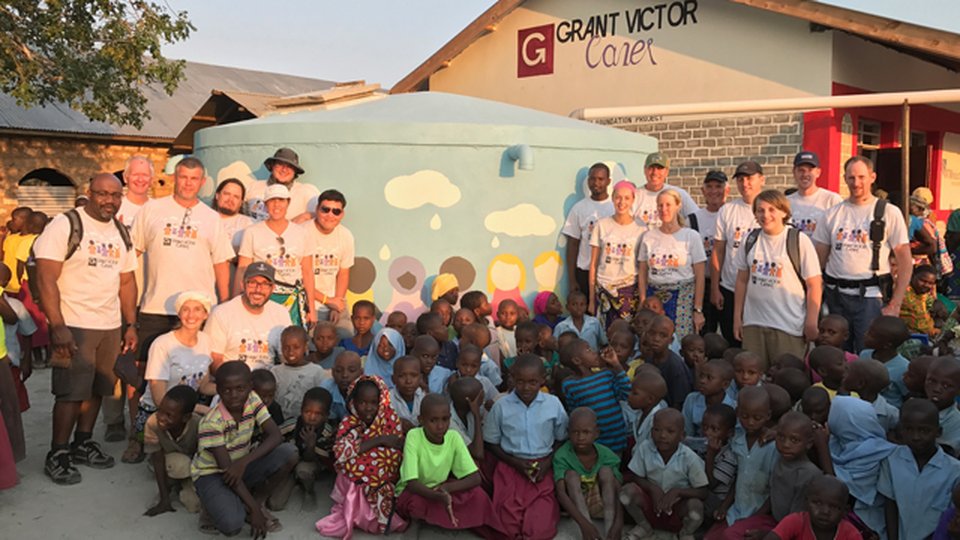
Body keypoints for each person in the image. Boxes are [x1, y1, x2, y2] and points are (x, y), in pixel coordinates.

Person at [35, 173, 139, 485]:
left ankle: (83, 442)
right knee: (70, 392)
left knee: (98, 387)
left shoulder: (121, 231)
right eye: (102, 194)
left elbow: (127, 281)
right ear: (89, 193)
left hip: (109, 325)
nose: (109, 200)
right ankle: (58, 452)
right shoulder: (66, 224)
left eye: (115, 195)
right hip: (74, 324)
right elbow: (45, 277)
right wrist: (58, 325)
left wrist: (130, 324)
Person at [813, 156, 913, 352]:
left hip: (870, 298)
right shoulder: (832, 214)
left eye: (861, 177)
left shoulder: (889, 212)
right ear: (845, 178)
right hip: (835, 296)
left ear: (872, 177)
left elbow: (905, 260)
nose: (856, 183)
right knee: (834, 354)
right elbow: (819, 261)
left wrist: (896, 303)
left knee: (867, 353)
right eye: (851, 178)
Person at [191, 361, 297, 536]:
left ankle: (256, 502)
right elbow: (228, 471)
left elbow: (275, 435)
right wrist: (254, 511)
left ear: (250, 387)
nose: (234, 395)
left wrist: (244, 462)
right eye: (227, 390)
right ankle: (213, 505)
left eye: (240, 389)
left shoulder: (252, 399)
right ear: (218, 390)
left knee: (289, 453)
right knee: (232, 525)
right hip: (212, 474)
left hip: (239, 465)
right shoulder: (211, 422)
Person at [483, 354, 569, 540]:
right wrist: (514, 462)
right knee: (507, 526)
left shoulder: (553, 404)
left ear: (542, 380)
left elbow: (562, 438)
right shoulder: (501, 406)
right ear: (512, 379)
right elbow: (490, 442)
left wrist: (547, 463)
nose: (526, 387)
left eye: (532, 382)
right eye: (520, 381)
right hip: (510, 468)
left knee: (540, 528)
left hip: (542, 467)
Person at [395, 393, 505, 538]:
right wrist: (437, 496)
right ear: (421, 420)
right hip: (417, 490)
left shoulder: (453, 437)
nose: (440, 426)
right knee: (416, 504)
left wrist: (447, 489)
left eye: (445, 419)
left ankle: (439, 519)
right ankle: (428, 521)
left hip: (441, 487)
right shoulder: (414, 436)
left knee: (479, 496)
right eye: (433, 420)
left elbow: (475, 478)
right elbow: (412, 483)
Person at [733, 190, 822, 368]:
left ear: (783, 212)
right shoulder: (750, 240)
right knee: (754, 376)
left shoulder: (798, 240)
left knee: (787, 377)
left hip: (788, 326)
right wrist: (737, 317)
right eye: (760, 210)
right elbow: (742, 280)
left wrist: (811, 321)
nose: (766, 215)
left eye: (772, 209)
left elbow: (814, 284)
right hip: (754, 323)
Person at [315, 375, 408, 538]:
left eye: (373, 402)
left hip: (382, 473)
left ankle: (369, 516)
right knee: (353, 468)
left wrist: (362, 450)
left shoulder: (390, 419)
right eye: (362, 402)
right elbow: (341, 452)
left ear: (381, 401)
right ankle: (357, 514)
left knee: (370, 466)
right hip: (357, 474)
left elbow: (396, 451)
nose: (368, 408)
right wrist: (379, 440)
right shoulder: (349, 422)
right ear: (354, 402)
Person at [129, 291, 214, 463]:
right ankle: (141, 441)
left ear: (205, 314)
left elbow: (204, 386)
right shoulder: (163, 344)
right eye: (186, 309)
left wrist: (231, 391)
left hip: (187, 409)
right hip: (160, 411)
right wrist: (201, 409)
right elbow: (159, 398)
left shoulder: (206, 341)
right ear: (179, 314)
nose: (191, 315)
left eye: (197, 309)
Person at [102, 155, 153, 445]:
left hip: (148, 296)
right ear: (125, 176)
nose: (140, 179)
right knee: (114, 359)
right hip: (115, 295)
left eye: (146, 175)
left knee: (139, 362)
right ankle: (113, 419)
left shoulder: (158, 209)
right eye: (136, 174)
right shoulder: (115, 208)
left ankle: (141, 418)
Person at [620, 408, 708, 540]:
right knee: (626, 493)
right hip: (651, 505)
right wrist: (652, 488)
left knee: (696, 506)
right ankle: (644, 526)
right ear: (651, 431)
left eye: (670, 431)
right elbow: (635, 476)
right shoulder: (645, 448)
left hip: (676, 510)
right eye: (657, 430)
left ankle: (685, 533)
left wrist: (678, 492)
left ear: (682, 435)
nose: (662, 435)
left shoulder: (689, 458)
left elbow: (703, 492)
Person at [235, 184, 316, 326]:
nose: (276, 205)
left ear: (288, 203)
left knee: (293, 338)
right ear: (265, 204)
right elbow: (242, 269)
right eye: (272, 200)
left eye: (281, 200)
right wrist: (236, 303)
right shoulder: (252, 232)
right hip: (262, 297)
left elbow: (307, 272)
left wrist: (312, 309)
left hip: (293, 300)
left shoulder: (302, 233)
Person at [879, 398, 960, 540]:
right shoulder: (891, 460)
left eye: (924, 430)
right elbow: (890, 504)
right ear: (901, 430)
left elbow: (952, 513)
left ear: (938, 432)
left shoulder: (954, 470)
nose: (916, 437)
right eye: (909, 429)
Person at [707, 386, 778, 539]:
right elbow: (738, 478)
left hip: (761, 513)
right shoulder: (736, 440)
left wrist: (755, 518)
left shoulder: (773, 447)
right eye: (744, 416)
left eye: (757, 418)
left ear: (768, 415)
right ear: (737, 412)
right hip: (736, 509)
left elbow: (775, 491)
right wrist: (724, 506)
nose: (750, 422)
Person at [638, 189, 707, 338]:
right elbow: (643, 272)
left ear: (678, 206)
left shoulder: (691, 236)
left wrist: (698, 309)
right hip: (654, 298)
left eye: (668, 205)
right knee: (653, 340)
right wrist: (642, 301)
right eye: (660, 205)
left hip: (682, 299)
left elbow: (700, 276)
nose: (664, 209)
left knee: (679, 342)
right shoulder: (648, 237)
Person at [711, 161, 764, 346]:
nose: (745, 183)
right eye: (740, 179)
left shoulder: (769, 210)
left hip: (760, 290)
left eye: (749, 178)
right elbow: (718, 250)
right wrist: (715, 288)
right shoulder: (727, 210)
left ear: (761, 179)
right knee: (733, 340)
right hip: (730, 288)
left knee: (757, 344)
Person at [829, 395, 897, 538]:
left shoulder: (876, 450)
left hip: (867, 522)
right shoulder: (835, 443)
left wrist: (822, 448)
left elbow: (838, 486)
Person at [205, 262, 292, 371]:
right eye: (252, 283)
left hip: (268, 377)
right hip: (232, 377)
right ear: (242, 284)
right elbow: (214, 359)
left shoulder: (281, 313)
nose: (258, 289)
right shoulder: (222, 313)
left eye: (265, 284)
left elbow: (286, 358)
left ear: (273, 288)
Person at [554, 407, 623, 540]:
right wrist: (584, 525)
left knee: (606, 472)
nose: (580, 437)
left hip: (601, 502)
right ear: (568, 432)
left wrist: (618, 523)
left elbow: (618, 490)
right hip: (575, 507)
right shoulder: (562, 456)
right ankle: (589, 533)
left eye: (586, 432)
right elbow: (561, 493)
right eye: (575, 432)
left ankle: (609, 530)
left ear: (596, 433)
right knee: (571, 476)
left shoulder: (607, 455)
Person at [268, 386, 335, 512]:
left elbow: (322, 461)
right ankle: (294, 481)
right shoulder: (292, 424)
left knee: (303, 470)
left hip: (310, 466)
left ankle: (308, 491)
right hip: (289, 466)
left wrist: (311, 446)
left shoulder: (327, 433)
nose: (312, 417)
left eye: (318, 414)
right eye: (307, 412)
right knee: (274, 504)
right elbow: (273, 436)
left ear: (326, 416)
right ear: (301, 410)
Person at [560, 339, 631, 454]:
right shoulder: (569, 384)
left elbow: (627, 393)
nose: (594, 352)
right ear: (577, 360)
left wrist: (616, 364)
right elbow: (575, 412)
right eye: (588, 350)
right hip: (593, 441)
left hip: (616, 436)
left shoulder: (606, 375)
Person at [589, 180, 644, 327]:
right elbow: (593, 264)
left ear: (633, 200)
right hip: (604, 289)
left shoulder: (641, 228)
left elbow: (643, 267)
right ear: (612, 198)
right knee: (604, 334)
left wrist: (642, 298)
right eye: (618, 197)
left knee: (627, 334)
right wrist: (592, 299)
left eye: (627, 198)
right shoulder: (601, 225)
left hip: (629, 290)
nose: (622, 202)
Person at [143, 385, 201, 516]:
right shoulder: (152, 423)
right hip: (169, 463)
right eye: (160, 411)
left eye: (169, 415)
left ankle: (182, 485)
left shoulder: (198, 424)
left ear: (186, 417)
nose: (161, 418)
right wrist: (164, 499)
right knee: (180, 464)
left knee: (194, 505)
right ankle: (171, 486)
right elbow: (157, 460)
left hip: (193, 465)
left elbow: (202, 457)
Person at [563, 163, 614, 294]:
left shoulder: (615, 207)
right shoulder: (579, 208)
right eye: (592, 178)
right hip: (584, 271)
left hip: (609, 272)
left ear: (608, 181)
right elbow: (573, 244)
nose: (596, 183)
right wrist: (572, 280)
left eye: (601, 179)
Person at [303, 189, 353, 323]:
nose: (330, 215)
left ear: (342, 214)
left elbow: (343, 273)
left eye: (336, 211)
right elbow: (300, 277)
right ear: (317, 209)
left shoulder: (346, 235)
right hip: (307, 301)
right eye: (325, 210)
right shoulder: (302, 232)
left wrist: (336, 305)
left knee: (345, 333)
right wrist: (327, 300)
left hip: (334, 302)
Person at [688, 170, 729, 334]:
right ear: (703, 190)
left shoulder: (732, 216)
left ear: (727, 190)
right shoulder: (692, 219)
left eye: (718, 186)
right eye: (709, 187)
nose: (714, 191)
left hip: (727, 284)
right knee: (705, 334)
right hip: (702, 284)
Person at [765, 475, 862, 540]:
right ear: (806, 503)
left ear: (845, 511)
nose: (825, 511)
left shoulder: (850, 534)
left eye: (834, 507)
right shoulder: (795, 522)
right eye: (817, 503)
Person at [244, 147, 320, 223]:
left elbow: (322, 214)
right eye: (280, 164)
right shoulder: (253, 187)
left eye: (289, 166)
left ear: (295, 171)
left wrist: (305, 216)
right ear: (272, 166)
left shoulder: (306, 191)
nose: (284, 169)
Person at [271, 326, 328, 420]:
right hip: (280, 423)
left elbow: (322, 400)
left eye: (296, 347)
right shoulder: (275, 371)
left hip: (307, 422)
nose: (291, 352)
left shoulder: (316, 372)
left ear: (305, 346)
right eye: (286, 347)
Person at [632, 152, 699, 231]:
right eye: (651, 168)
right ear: (644, 170)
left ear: (667, 171)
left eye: (659, 168)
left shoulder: (679, 194)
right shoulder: (634, 196)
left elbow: (697, 218)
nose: (655, 172)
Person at [786, 151, 842, 237]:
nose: (805, 174)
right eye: (801, 170)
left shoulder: (832, 200)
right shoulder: (785, 202)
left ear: (818, 172)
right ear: (794, 172)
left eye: (810, 170)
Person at [860, 315, 911, 408]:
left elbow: (907, 396)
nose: (865, 334)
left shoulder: (903, 368)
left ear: (887, 344)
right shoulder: (864, 355)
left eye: (871, 335)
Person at [682, 359, 736, 442]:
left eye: (709, 378)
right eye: (701, 376)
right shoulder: (691, 399)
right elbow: (686, 433)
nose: (702, 381)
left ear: (725, 384)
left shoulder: (733, 407)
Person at [841, 358, 899, 433]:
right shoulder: (843, 401)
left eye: (847, 372)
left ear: (860, 384)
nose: (843, 374)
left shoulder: (890, 414)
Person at [702, 403, 737, 518]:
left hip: (717, 502)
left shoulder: (729, 457)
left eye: (714, 429)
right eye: (705, 427)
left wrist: (710, 456)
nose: (708, 432)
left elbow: (711, 484)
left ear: (729, 433)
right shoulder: (704, 446)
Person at [924, 357, 960, 455]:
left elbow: (944, 454)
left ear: (958, 390)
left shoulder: (956, 423)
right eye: (931, 381)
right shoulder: (915, 407)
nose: (936, 389)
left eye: (946, 386)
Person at [319, 351, 363, 424]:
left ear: (361, 373)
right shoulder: (326, 390)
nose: (344, 375)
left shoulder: (367, 391)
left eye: (351, 370)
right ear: (333, 372)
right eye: (339, 370)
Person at [900, 264, 940, 337]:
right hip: (910, 335)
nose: (926, 285)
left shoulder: (926, 295)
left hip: (929, 333)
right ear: (913, 276)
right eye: (923, 281)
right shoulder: (903, 292)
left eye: (930, 283)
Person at [388, 355, 425, 431]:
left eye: (413, 375)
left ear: (420, 378)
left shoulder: (424, 398)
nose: (408, 381)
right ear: (393, 379)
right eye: (402, 376)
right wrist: (396, 421)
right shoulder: (388, 399)